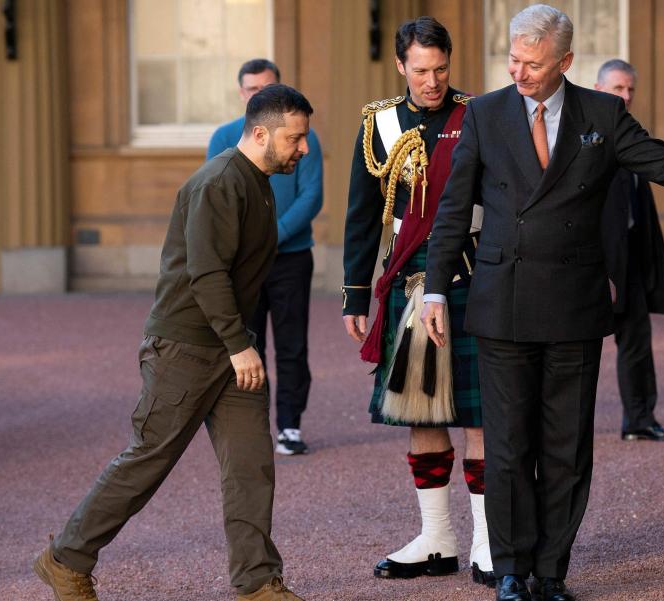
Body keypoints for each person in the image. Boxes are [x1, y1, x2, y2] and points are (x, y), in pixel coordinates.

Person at [420, 5, 664, 601]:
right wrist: (435, 287)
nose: (519, 72)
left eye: (533, 63)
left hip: (574, 305)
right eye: (512, 59)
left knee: (566, 447)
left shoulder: (603, 114)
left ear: (565, 62)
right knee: (507, 445)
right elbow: (454, 209)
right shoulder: (483, 113)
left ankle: (551, 572)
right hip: (501, 301)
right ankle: (509, 569)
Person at [33, 84, 313, 601]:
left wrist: (238, 343)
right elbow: (206, 274)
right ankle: (65, 559)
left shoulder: (261, 181)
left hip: (231, 349)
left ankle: (257, 583)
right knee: (148, 461)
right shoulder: (220, 183)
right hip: (186, 348)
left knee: (251, 466)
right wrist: (239, 343)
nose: (303, 149)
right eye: (295, 139)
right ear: (259, 133)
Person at [342, 16, 495, 589]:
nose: (433, 82)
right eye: (422, 70)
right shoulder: (377, 123)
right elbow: (362, 216)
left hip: (475, 277)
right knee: (421, 409)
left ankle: (486, 543)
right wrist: (355, 295)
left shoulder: (478, 112)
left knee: (480, 414)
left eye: (442, 69)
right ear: (401, 66)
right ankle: (437, 539)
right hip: (409, 280)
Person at [208, 58, 323, 456]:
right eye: (252, 90)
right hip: (245, 265)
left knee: (292, 346)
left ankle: (290, 425)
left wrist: (270, 236)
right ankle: (251, 427)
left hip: (291, 260)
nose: (259, 95)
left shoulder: (304, 138)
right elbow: (217, 202)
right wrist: (253, 244)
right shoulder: (223, 137)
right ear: (242, 95)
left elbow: (312, 196)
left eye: (267, 88)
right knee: (246, 345)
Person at [595, 59, 664, 442]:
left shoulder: (632, 136)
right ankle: (553, 433)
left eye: (630, 89)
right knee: (569, 354)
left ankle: (640, 420)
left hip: (628, 260)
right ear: (599, 90)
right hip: (588, 265)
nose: (626, 96)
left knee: (637, 344)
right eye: (618, 88)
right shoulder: (578, 135)